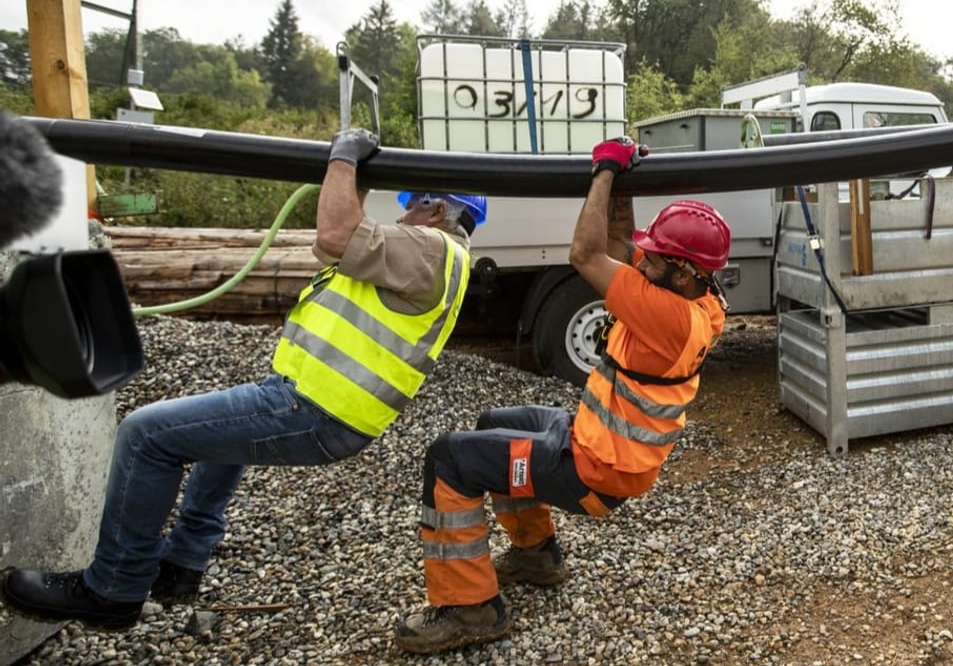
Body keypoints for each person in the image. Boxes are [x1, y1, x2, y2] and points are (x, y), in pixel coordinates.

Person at [0, 128, 488, 629]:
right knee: (218, 438)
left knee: (144, 435)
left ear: (435, 209)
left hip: (313, 409)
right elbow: (339, 242)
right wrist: (352, 178)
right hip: (314, 405)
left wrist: (344, 157)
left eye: (412, 204)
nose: (402, 213)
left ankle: (111, 588)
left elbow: (335, 236)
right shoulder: (430, 257)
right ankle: (183, 564)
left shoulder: (430, 249)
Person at [394, 136, 731, 654]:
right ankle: (537, 555)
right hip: (594, 438)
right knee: (491, 421)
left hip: (595, 468)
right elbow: (621, 247)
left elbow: (586, 253)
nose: (642, 262)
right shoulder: (699, 296)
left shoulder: (668, 316)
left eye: (656, 257)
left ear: (683, 270)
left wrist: (601, 172)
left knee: (449, 459)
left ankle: (470, 608)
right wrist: (624, 179)